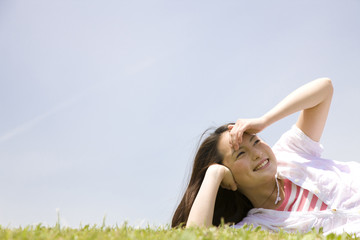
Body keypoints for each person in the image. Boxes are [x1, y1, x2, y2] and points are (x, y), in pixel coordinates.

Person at [171, 78, 360, 234]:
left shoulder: (291, 152)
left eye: (255, 141)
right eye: (240, 154)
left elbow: (324, 89)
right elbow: (195, 236)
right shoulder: (256, 227)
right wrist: (214, 174)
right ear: (228, 178)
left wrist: (264, 120)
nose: (256, 153)